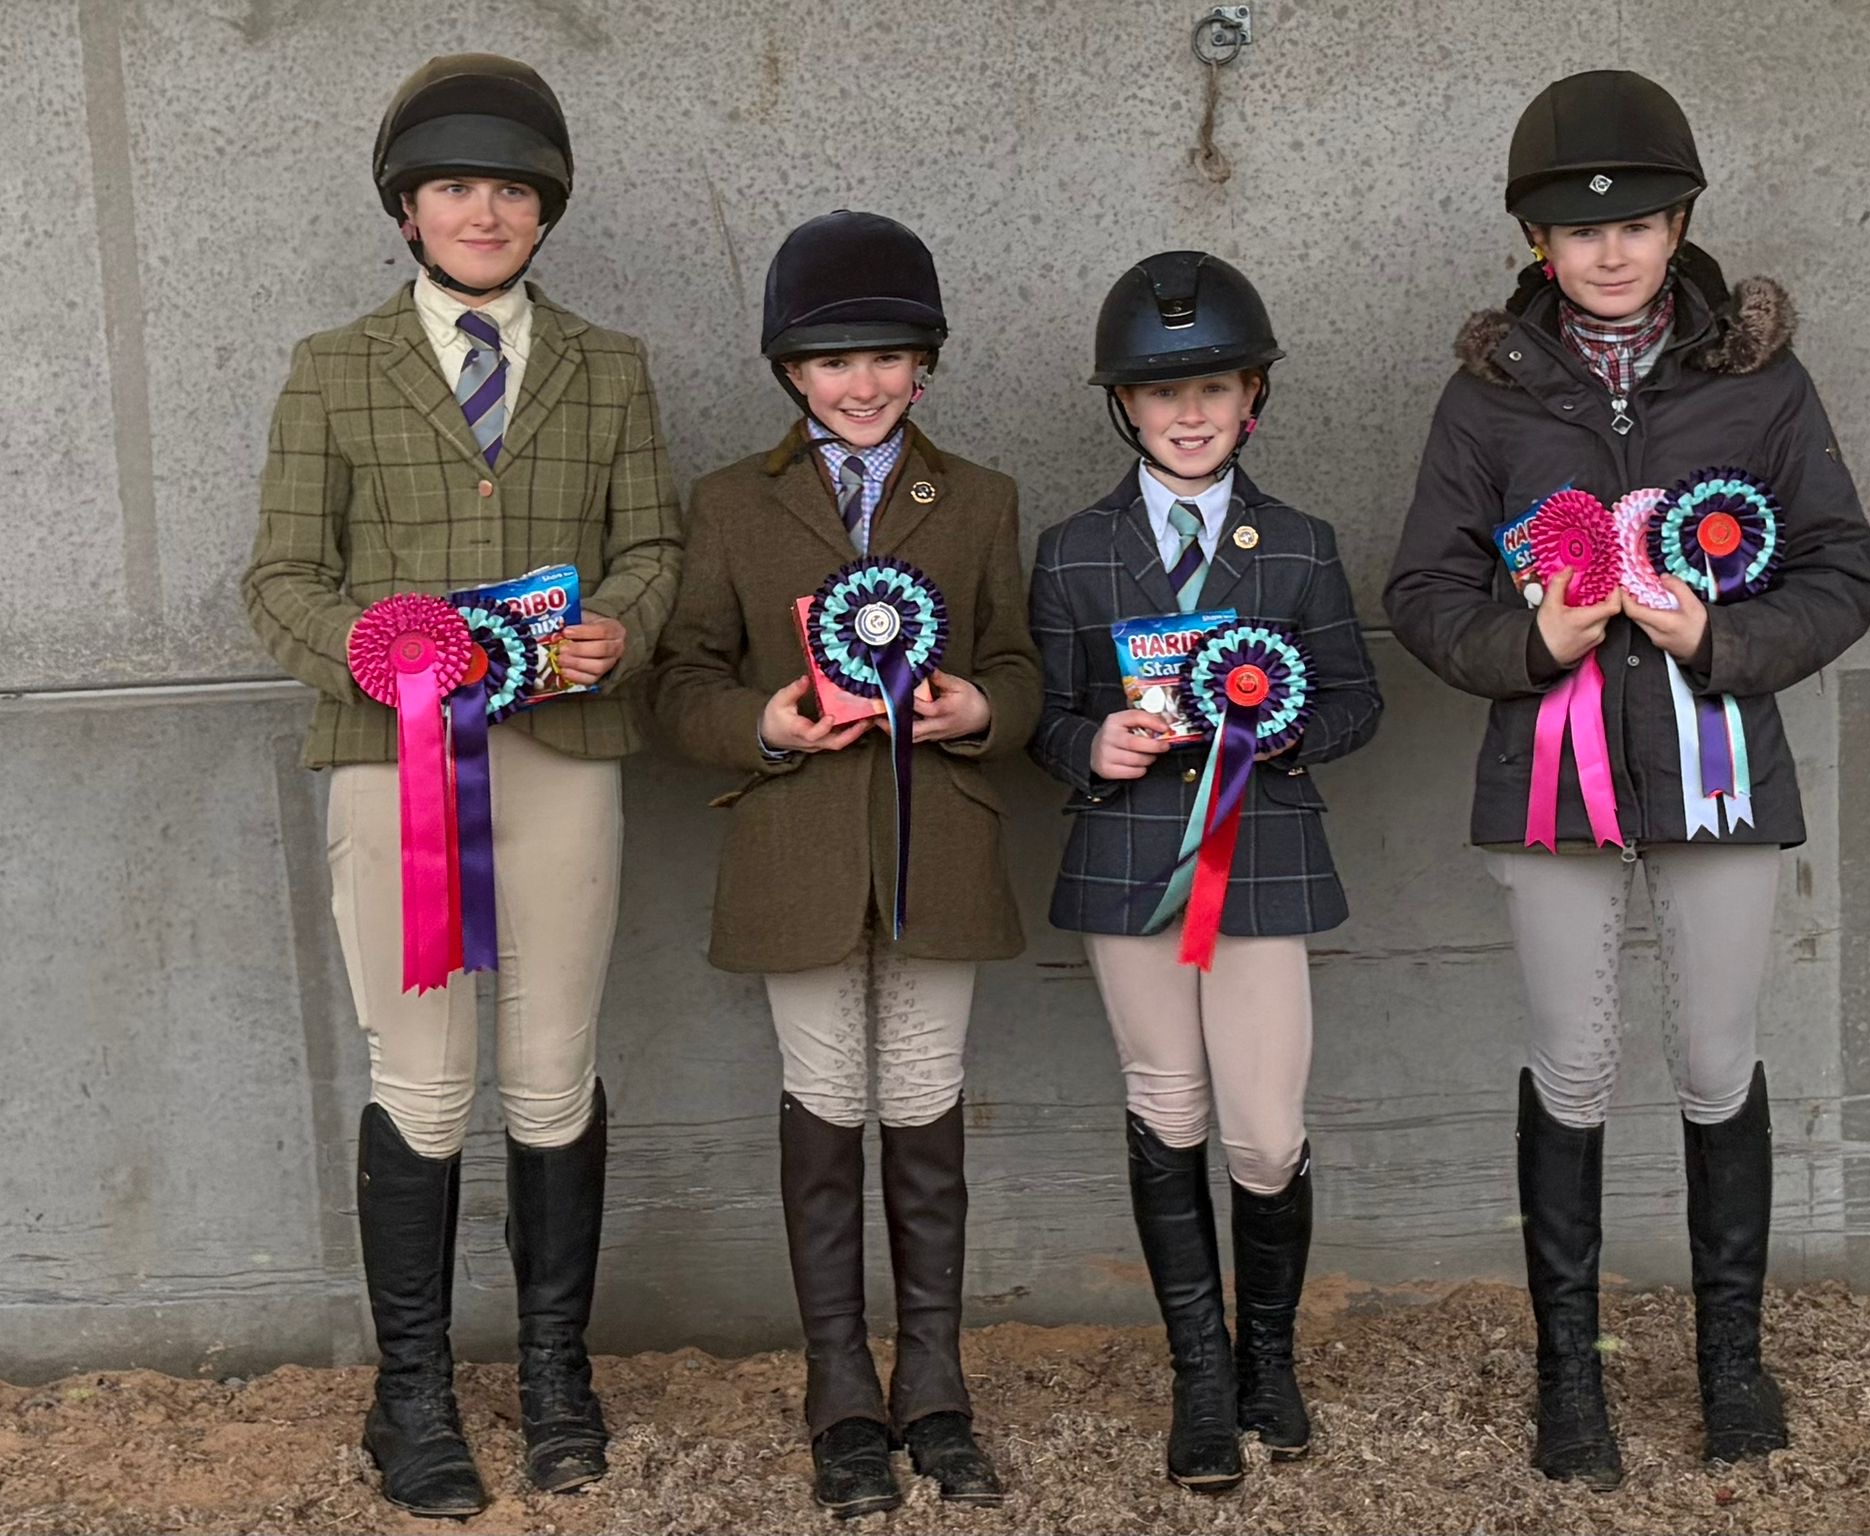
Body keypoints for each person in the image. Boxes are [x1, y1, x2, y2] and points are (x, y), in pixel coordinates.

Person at [1383, 69, 1870, 1488]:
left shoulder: (1763, 384)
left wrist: (1719, 638)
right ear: (1534, 244)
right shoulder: (1484, 400)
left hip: (1719, 776)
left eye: (1638, 224)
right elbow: (1420, 590)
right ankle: (1570, 1375)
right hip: (1549, 784)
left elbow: (1844, 572)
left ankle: (1732, 1360)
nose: (1610, 251)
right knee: (1576, 1064)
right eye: (1578, 230)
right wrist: (1527, 643)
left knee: (1716, 1059)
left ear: (1678, 227)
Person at [242, 53, 683, 1516]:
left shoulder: (609, 366)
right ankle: (412, 1392)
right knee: (423, 1080)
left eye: (508, 190)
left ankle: (556, 1374)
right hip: (395, 767)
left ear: (543, 212)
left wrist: (625, 625)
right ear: (409, 211)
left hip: (562, 759)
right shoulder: (333, 368)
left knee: (552, 1066)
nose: (482, 212)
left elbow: (654, 546)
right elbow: (280, 578)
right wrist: (377, 658)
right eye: (453, 189)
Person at [649, 210, 1042, 1517]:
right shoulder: (730, 504)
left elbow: (1020, 663)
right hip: (798, 846)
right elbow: (682, 678)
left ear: (923, 365)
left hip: (940, 846)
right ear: (790, 372)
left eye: (885, 357)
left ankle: (933, 1384)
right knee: (822, 1100)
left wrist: (977, 710)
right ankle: (839, 1389)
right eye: (832, 361)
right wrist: (763, 722)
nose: (861, 383)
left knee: (925, 1100)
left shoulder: (979, 497)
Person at [1027, 250, 1382, 1491]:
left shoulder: (1298, 546)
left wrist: (1284, 727)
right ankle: (1198, 1376)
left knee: (1264, 1133)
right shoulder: (1072, 551)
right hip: (1130, 858)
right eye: (1162, 393)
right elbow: (1042, 713)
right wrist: (1091, 742)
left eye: (1214, 389)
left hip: (1261, 853)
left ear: (1251, 397)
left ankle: (1267, 1358)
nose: (1189, 414)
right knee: (1165, 1104)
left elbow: (1356, 697)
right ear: (1123, 405)